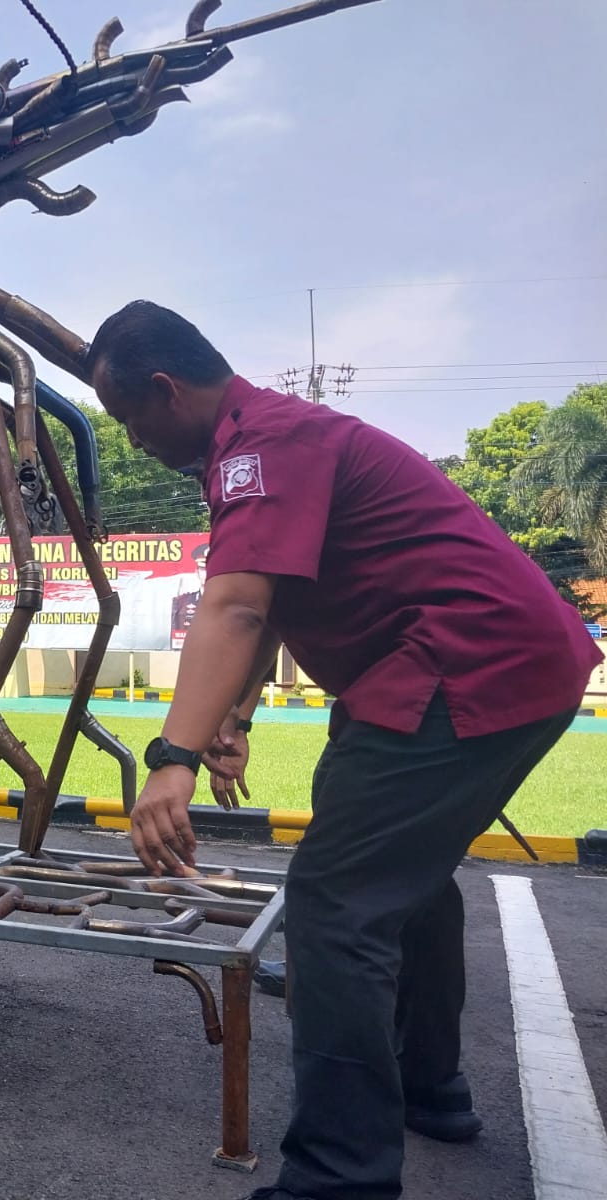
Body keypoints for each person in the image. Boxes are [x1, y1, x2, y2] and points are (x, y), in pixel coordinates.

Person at [84, 301, 600, 1200]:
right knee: (406, 877)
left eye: (129, 419)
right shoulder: (267, 440)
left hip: (461, 666)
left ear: (166, 391)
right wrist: (231, 716)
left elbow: (236, 605)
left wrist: (172, 755)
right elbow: (278, 601)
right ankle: (430, 1087)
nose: (130, 441)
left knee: (336, 904)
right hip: (492, 660)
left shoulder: (261, 448)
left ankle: (340, 1178)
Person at [171, 540, 209, 644]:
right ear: (197, 572)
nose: (208, 573)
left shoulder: (226, 601)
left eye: (211, 568)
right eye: (203, 569)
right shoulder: (182, 602)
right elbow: (176, 639)